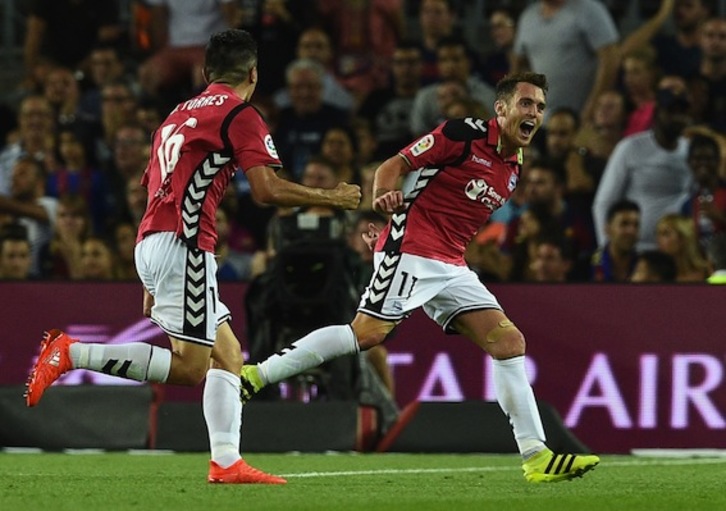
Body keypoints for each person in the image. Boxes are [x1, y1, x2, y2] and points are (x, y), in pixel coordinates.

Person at [25, 29, 361, 485]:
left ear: (206, 73)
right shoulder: (239, 114)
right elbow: (265, 190)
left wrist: (148, 279)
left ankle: (226, 460)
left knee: (227, 355)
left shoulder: (175, 115)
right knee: (190, 367)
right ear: (254, 75)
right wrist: (333, 198)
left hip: (154, 240)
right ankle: (70, 353)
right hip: (184, 244)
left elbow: (153, 190)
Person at [238, 71, 600, 483]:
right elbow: (395, 165)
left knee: (508, 341)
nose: (534, 112)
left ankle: (536, 455)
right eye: (526, 104)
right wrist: (385, 195)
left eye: (539, 106)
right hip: (411, 248)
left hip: (452, 264)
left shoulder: (514, 164)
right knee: (366, 335)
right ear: (501, 109)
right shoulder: (462, 134)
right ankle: (257, 375)